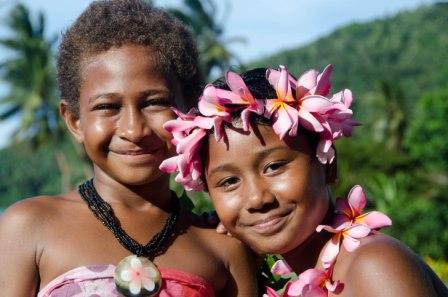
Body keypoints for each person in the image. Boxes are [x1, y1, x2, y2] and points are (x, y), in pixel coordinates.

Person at [0, 1, 257, 296]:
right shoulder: (29, 227)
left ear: (191, 110)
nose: (134, 130)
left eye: (154, 102)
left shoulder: (223, 247)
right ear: (74, 121)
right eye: (107, 106)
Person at [160, 66, 448, 296]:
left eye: (274, 167)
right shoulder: (304, 274)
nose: (258, 199)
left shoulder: (372, 264)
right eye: (229, 182)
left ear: (328, 166)